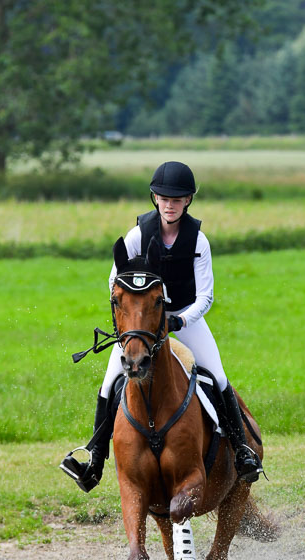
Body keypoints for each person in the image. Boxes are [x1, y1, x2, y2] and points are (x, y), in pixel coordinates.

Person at [62, 161, 263, 491]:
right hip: (141, 325)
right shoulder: (137, 235)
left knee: (217, 376)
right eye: (164, 199)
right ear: (155, 199)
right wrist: (133, 317)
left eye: (177, 200)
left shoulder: (198, 241)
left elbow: (206, 295)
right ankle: (94, 460)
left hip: (183, 318)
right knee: (109, 383)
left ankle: (242, 451)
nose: (170, 205)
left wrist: (180, 319)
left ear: (188, 201)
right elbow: (115, 282)